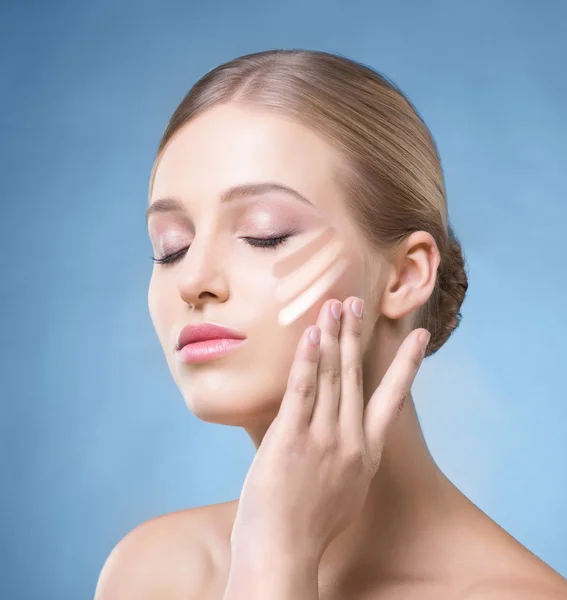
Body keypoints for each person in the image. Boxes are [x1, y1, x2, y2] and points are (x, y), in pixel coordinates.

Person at [94, 49, 567, 599]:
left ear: (405, 277)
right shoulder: (153, 573)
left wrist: (280, 559)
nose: (191, 279)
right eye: (170, 247)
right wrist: (274, 552)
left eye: (263, 234)